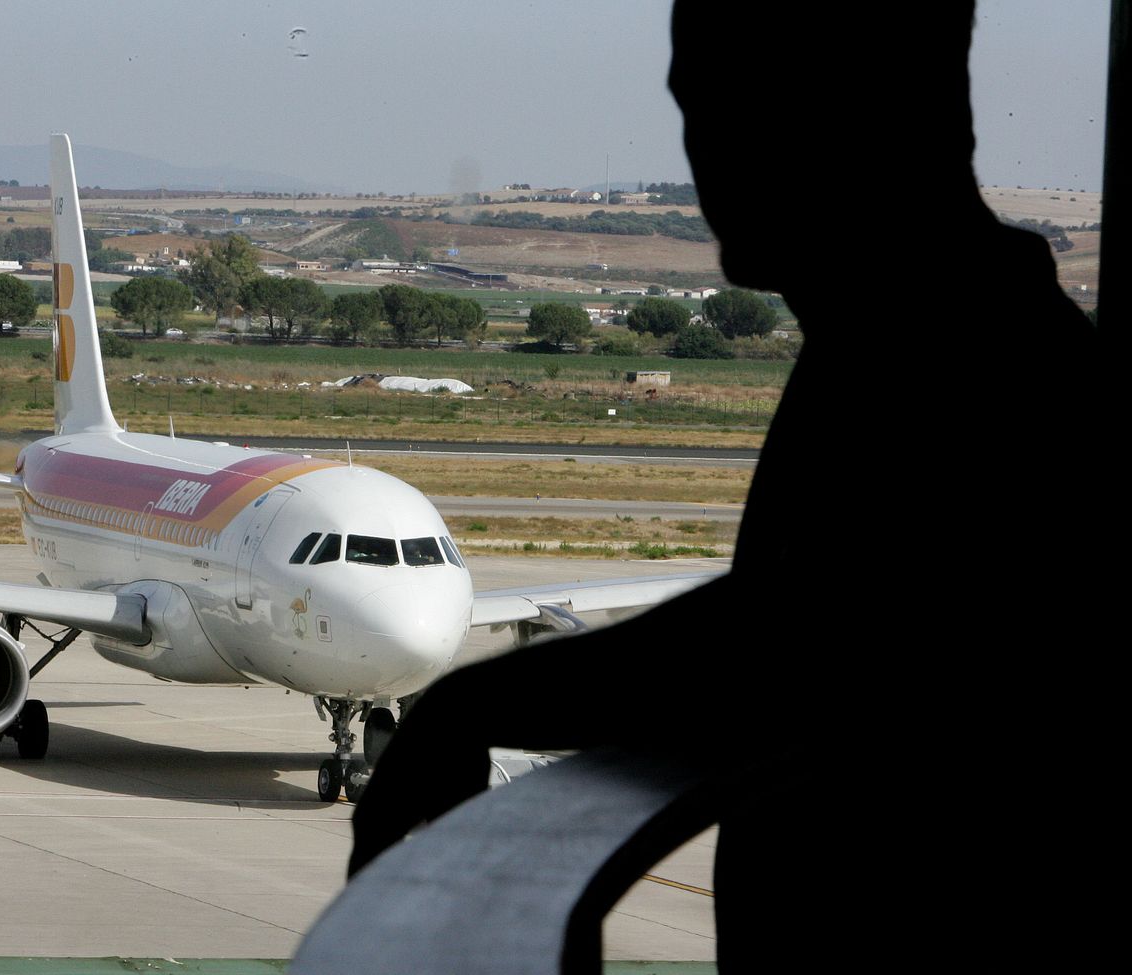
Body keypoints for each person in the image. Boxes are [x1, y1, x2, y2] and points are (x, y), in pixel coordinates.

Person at [349, 3, 1111, 969]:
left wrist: (466, 709)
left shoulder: (972, 373)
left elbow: (810, 637)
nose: (705, 151)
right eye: (694, 109)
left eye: (737, 105)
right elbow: (801, 614)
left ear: (876, 113)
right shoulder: (908, 350)